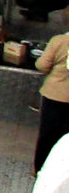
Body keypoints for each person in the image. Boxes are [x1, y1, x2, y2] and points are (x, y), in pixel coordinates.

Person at [36, 31, 69, 173]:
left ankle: (40, 168)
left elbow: (42, 65)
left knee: (47, 135)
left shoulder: (59, 41)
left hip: (55, 95)